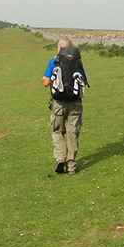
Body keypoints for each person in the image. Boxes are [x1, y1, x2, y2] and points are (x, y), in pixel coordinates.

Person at [42, 38, 87, 175]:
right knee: (73, 133)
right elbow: (84, 81)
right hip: (75, 103)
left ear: (58, 48)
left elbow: (45, 82)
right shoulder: (77, 62)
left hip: (59, 104)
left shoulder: (53, 61)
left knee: (57, 131)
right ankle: (71, 166)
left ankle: (60, 159)